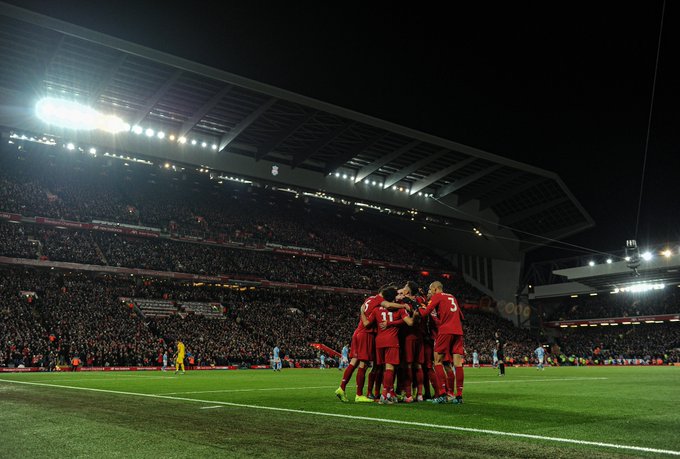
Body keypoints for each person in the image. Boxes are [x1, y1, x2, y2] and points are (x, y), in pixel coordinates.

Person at [334, 285, 406, 403]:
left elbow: (365, 311)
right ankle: (359, 395)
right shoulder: (379, 299)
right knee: (363, 364)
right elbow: (388, 305)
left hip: (358, 331)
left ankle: (341, 388)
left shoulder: (369, 299)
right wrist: (403, 305)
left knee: (353, 362)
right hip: (366, 334)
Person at [413, 281, 465, 404]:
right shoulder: (452, 296)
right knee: (457, 364)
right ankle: (458, 396)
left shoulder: (438, 296)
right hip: (458, 331)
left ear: (436, 289)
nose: (430, 292)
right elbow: (461, 316)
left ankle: (442, 394)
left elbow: (424, 313)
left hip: (445, 331)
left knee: (437, 361)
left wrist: (417, 306)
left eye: (431, 290)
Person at [362, 296, 414, 404]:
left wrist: (361, 312)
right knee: (390, 369)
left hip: (379, 342)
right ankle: (384, 395)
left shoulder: (377, 309)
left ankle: (389, 393)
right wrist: (416, 315)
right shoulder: (400, 310)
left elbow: (366, 323)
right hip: (392, 341)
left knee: (383, 369)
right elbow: (410, 323)